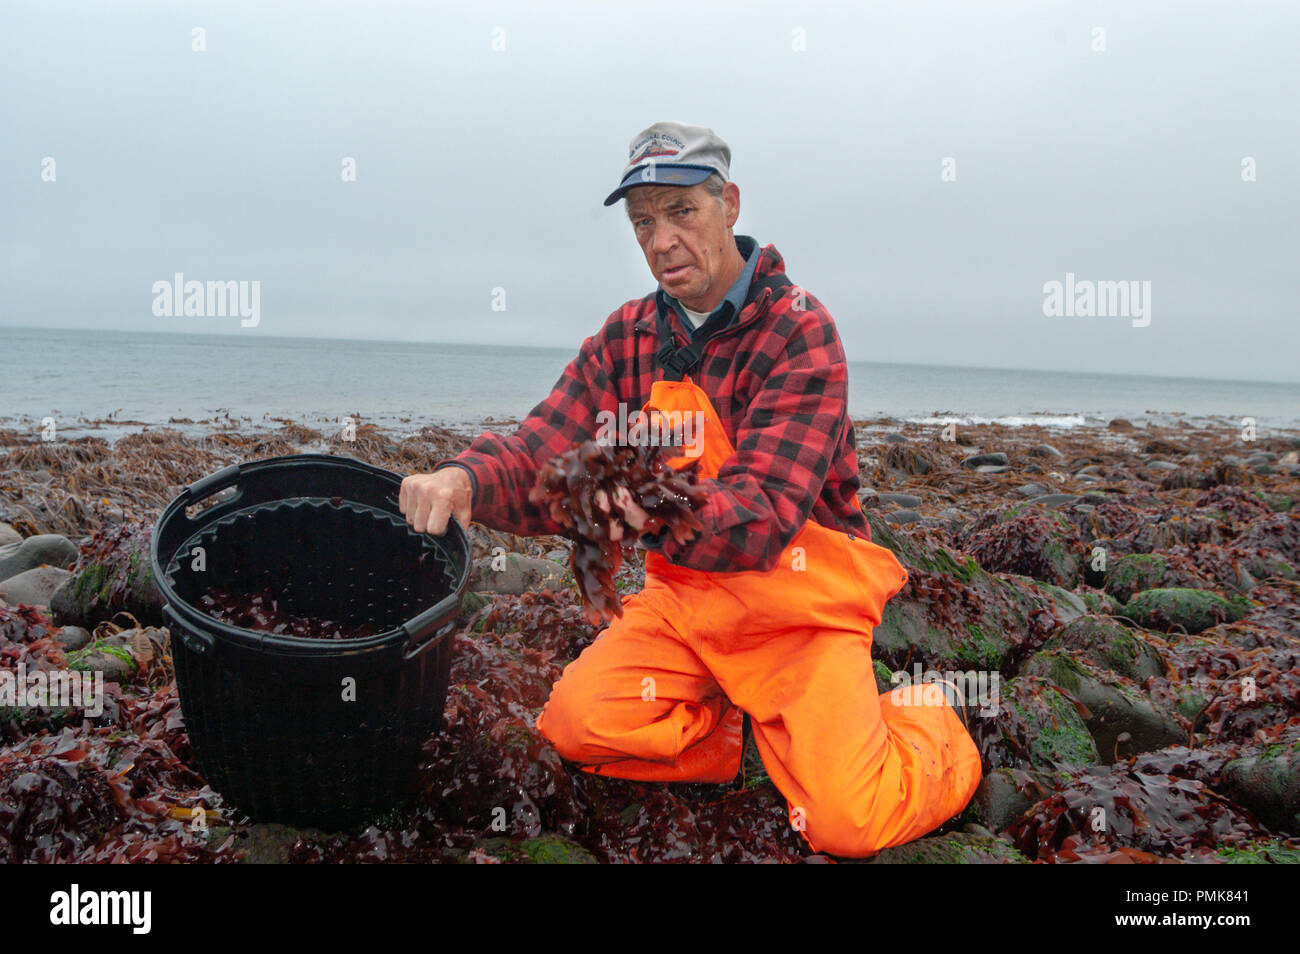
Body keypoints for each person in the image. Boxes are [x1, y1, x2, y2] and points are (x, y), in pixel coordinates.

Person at [399, 121, 982, 858]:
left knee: (846, 824)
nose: (660, 241)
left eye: (682, 212)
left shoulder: (799, 331)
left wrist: (647, 504)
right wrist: (464, 479)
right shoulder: (628, 337)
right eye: (643, 223)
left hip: (802, 608)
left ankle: (927, 719)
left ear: (729, 204)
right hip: (689, 607)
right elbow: (543, 450)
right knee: (575, 727)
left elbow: (764, 512)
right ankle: (733, 729)